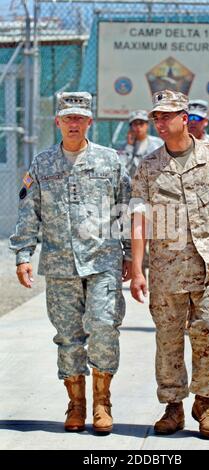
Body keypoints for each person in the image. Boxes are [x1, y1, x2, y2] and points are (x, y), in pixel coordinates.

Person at [130, 90, 209, 438]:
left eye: (167, 115)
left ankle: (204, 400)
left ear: (185, 118)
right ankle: (173, 407)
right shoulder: (150, 167)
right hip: (167, 269)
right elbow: (139, 219)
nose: (160, 122)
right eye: (157, 117)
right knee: (168, 340)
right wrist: (138, 270)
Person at [9, 92, 131, 434]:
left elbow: (126, 208)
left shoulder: (110, 161)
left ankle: (102, 402)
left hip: (103, 261)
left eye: (80, 117)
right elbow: (28, 212)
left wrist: (130, 254)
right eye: (68, 118)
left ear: (90, 121)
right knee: (67, 336)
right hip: (60, 263)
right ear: (57, 122)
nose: (73, 123)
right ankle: (76, 404)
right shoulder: (42, 164)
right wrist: (23, 254)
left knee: (104, 325)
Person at [119, 109, 163, 178]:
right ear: (131, 127)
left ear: (147, 125)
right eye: (135, 124)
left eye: (141, 123)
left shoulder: (157, 143)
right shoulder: (124, 146)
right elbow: (121, 166)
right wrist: (129, 146)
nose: (138, 127)